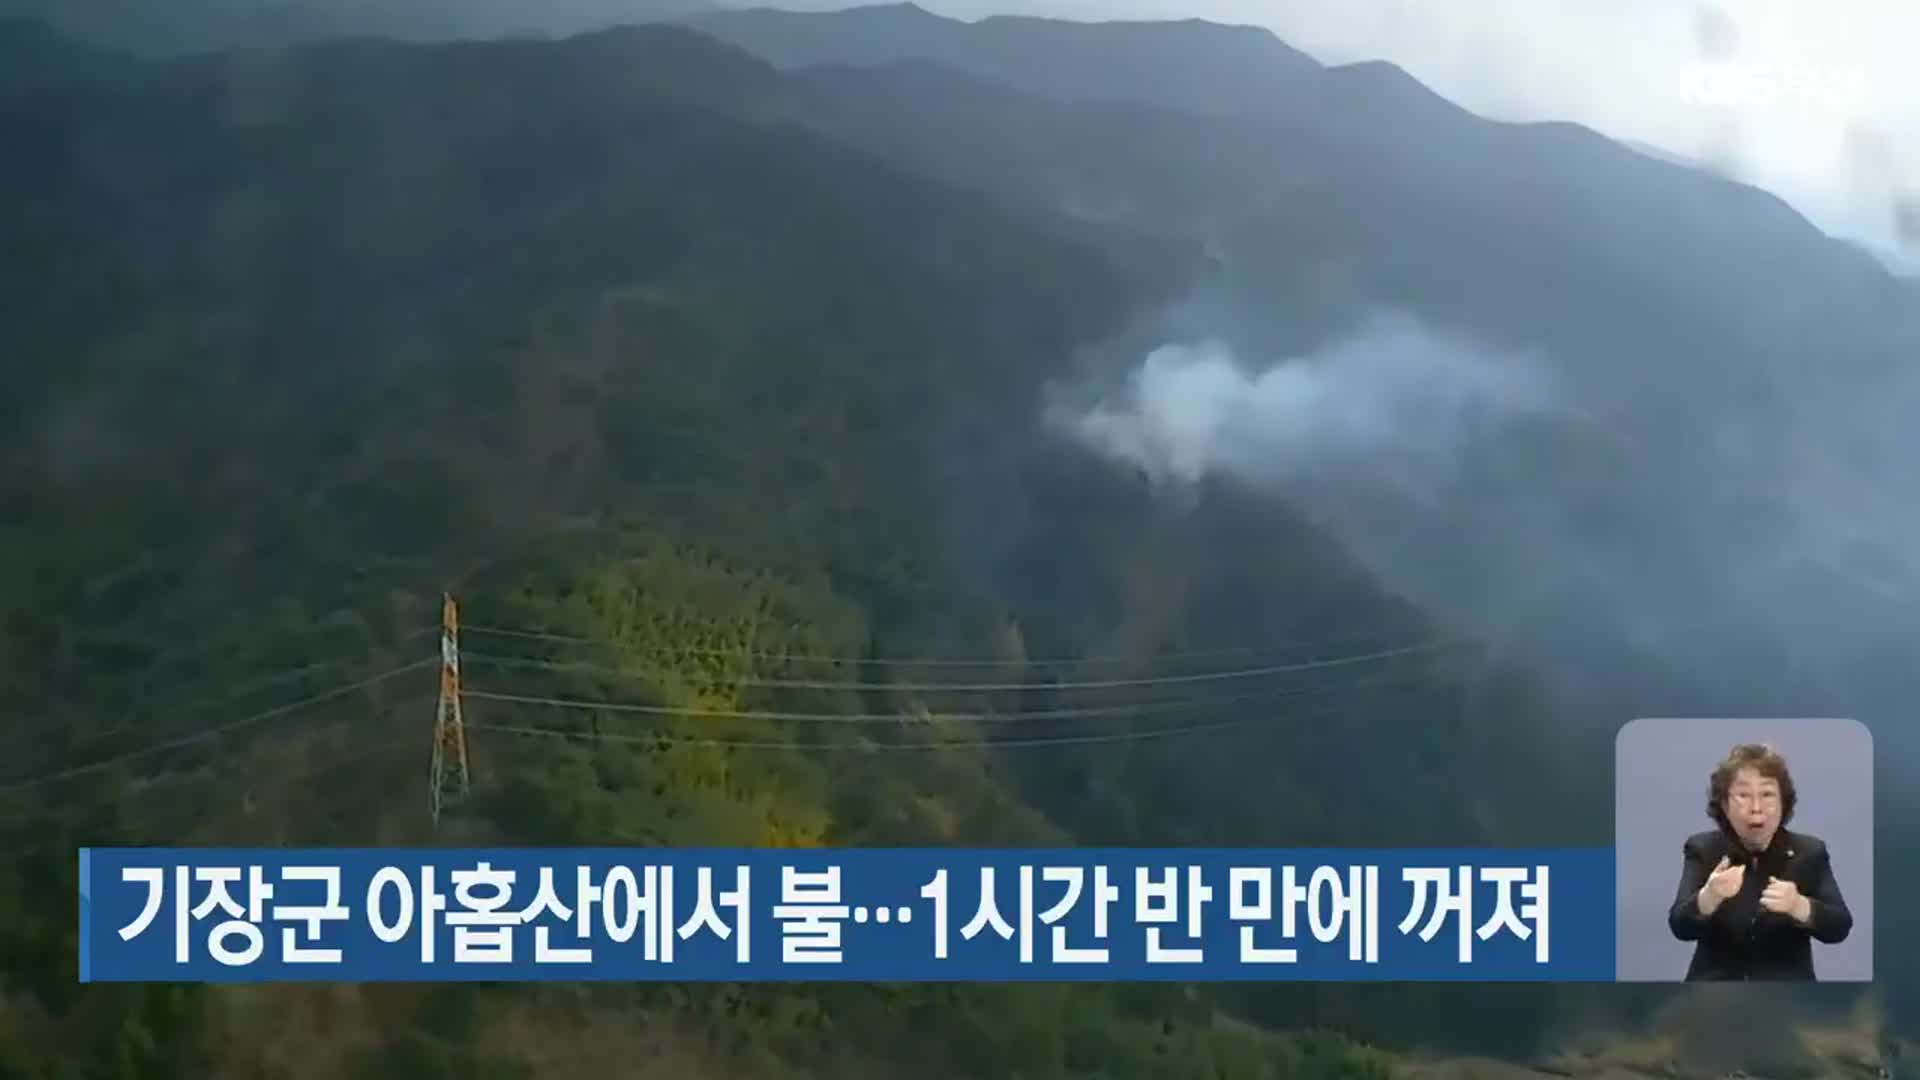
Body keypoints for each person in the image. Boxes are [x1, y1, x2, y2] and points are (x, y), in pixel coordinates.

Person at [1667, 742, 1853, 980]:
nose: (1756, 808)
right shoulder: (1704, 849)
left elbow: (1839, 927)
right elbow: (1680, 927)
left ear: (1783, 802)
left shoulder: (1809, 852)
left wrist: (1799, 905)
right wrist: (1709, 897)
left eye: (1767, 794)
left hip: (1788, 997)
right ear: (1724, 804)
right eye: (1743, 795)